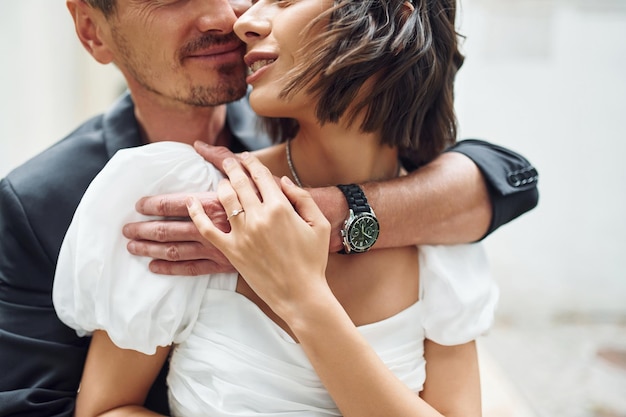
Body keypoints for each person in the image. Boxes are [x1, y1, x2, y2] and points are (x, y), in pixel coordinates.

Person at [0, 0, 537, 416]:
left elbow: (507, 177)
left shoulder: (443, 219)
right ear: (92, 30)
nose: (237, 20)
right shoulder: (159, 197)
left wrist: (312, 271)